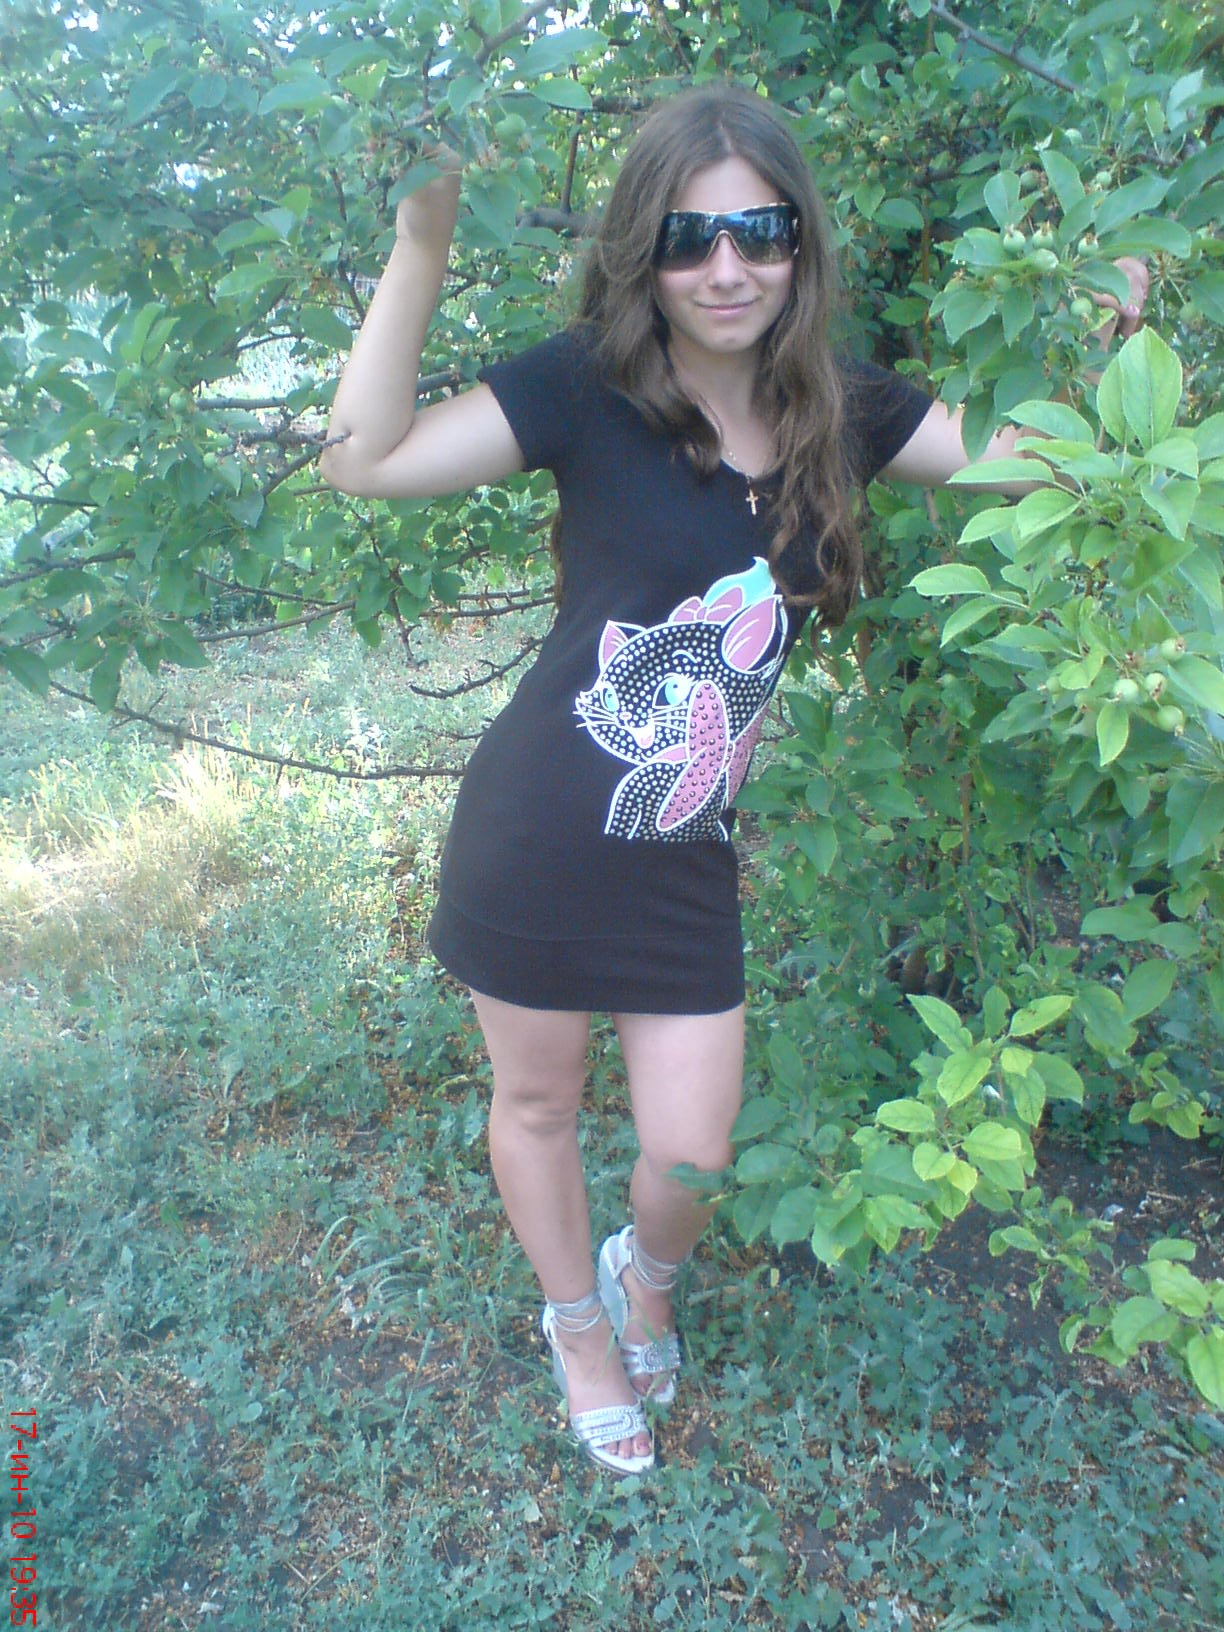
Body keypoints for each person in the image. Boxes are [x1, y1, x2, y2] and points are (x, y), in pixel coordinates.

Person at [320, 85, 1148, 1475]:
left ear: (798, 243)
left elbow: (1038, 465)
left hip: (684, 848)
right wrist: (422, 247)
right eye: (689, 236)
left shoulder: (845, 407)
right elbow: (363, 463)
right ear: (643, 250)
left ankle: (646, 1279)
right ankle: (579, 1329)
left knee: (691, 1155)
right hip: (535, 834)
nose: (726, 268)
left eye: (758, 233)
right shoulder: (585, 388)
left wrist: (1108, 341)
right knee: (537, 1107)